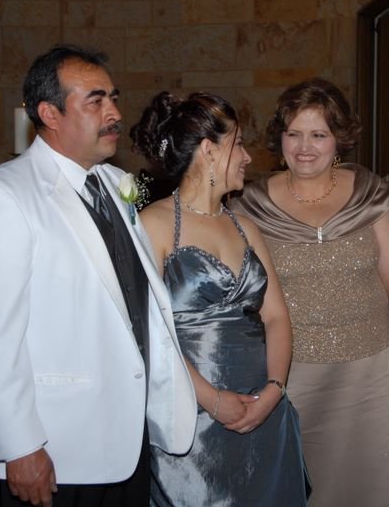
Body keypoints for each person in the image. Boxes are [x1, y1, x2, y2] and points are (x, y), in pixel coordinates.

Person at [0, 44, 196, 507]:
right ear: (50, 113)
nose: (114, 113)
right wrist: (20, 446)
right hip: (58, 447)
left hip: (127, 439)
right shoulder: (4, 196)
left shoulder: (115, 184)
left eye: (113, 98)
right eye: (95, 101)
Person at [231, 78, 389, 506]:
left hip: (372, 379)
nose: (305, 147)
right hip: (290, 380)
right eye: (294, 133)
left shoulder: (372, 197)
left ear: (339, 139)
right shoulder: (251, 206)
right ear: (279, 138)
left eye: (318, 135)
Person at [130, 91, 309, 505]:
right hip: (194, 420)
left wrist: (274, 390)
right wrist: (210, 400)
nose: (247, 157)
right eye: (239, 143)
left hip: (263, 409)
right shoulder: (154, 224)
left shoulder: (247, 227)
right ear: (209, 150)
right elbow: (151, 336)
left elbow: (277, 317)